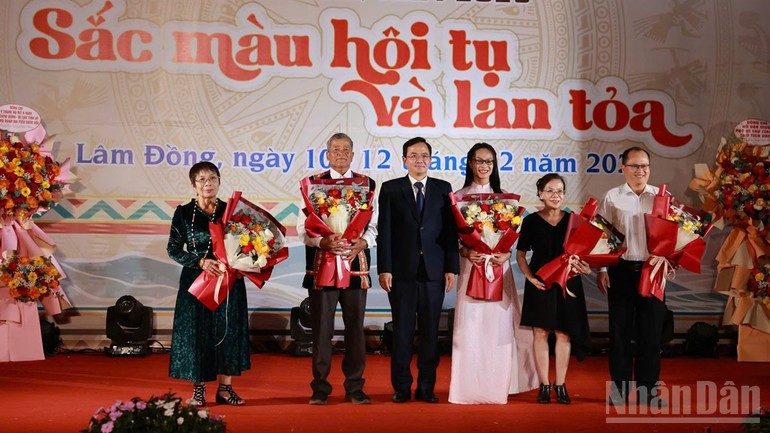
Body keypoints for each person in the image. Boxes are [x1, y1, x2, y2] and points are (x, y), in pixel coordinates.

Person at [448, 143, 538, 404]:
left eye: (489, 161)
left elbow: (513, 240)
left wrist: (506, 253)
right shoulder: (457, 198)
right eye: (479, 161)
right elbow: (450, 239)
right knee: (470, 328)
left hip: (499, 269)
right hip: (470, 269)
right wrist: (466, 252)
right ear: (470, 163)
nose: (484, 166)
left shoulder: (505, 199)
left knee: (498, 329)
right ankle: (466, 390)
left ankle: (497, 388)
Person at [377, 137, 460, 404]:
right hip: (401, 272)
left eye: (424, 155)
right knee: (401, 332)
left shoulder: (442, 188)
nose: (419, 160)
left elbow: (450, 232)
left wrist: (451, 267)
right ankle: (401, 387)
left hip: (434, 271)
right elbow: (385, 232)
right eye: (413, 155)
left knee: (430, 333)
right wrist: (384, 268)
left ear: (430, 159)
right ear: (404, 160)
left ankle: (427, 387)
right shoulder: (391, 189)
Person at [296, 133, 377, 406]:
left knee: (356, 329)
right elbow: (302, 229)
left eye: (346, 150)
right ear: (327, 154)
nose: (340, 154)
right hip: (322, 266)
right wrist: (323, 242)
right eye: (335, 149)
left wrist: (363, 241)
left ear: (353, 155)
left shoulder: (367, 185)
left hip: (356, 266)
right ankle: (320, 388)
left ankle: (355, 387)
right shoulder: (312, 185)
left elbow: (374, 226)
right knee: (321, 330)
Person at [167, 161, 250, 406]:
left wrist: (243, 263)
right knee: (198, 334)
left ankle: (225, 389)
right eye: (202, 179)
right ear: (194, 185)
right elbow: (173, 249)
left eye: (212, 178)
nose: (207, 184)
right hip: (196, 281)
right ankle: (198, 389)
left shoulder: (231, 210)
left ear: (219, 182)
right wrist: (200, 262)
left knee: (228, 332)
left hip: (228, 281)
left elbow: (247, 243)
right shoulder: (183, 213)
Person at [596, 146, 665, 407]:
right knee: (620, 333)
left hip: (653, 271)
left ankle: (649, 392)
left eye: (645, 166)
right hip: (621, 271)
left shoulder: (660, 196)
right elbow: (602, 236)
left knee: (651, 334)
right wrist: (602, 270)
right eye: (634, 166)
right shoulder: (612, 197)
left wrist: (669, 260)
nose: (640, 171)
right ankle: (620, 392)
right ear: (623, 168)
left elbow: (675, 235)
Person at [515, 173, 591, 405]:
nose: (555, 195)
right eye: (550, 191)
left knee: (563, 333)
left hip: (568, 282)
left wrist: (584, 268)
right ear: (540, 193)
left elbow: (584, 255)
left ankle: (561, 384)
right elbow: (520, 255)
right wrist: (530, 277)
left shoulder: (574, 221)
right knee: (540, 332)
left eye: (559, 191)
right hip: (541, 281)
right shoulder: (530, 221)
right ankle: (544, 385)